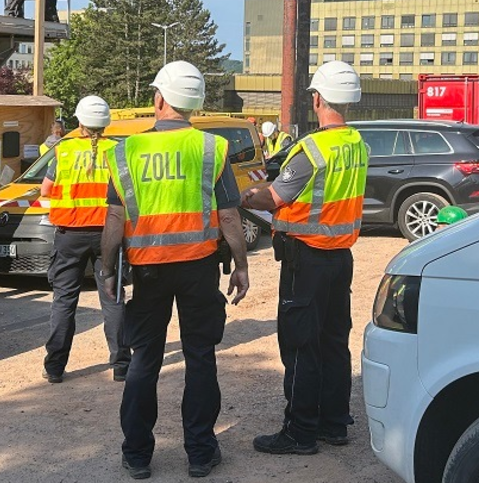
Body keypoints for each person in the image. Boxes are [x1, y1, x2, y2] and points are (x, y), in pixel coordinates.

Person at [100, 60, 250, 480]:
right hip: (200, 268)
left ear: (160, 98)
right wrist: (240, 265)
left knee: (145, 358)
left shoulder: (126, 150)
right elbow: (230, 218)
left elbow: (114, 219)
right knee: (200, 356)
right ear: (195, 103)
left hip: (147, 271)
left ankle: (137, 455)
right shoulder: (210, 148)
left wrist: (109, 268)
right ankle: (201, 452)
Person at [240, 60, 367, 455]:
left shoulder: (311, 149)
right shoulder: (357, 144)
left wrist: (250, 196)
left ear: (317, 99)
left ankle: (300, 431)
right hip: (340, 258)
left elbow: (276, 196)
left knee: (300, 344)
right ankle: (334, 423)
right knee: (333, 342)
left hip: (306, 260)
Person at [40, 96, 130, 384]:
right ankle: (121, 364)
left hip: (70, 234)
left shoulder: (62, 150)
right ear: (105, 123)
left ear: (79, 120)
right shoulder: (117, 151)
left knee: (64, 300)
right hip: (108, 233)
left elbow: (46, 190)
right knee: (112, 297)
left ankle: (55, 367)